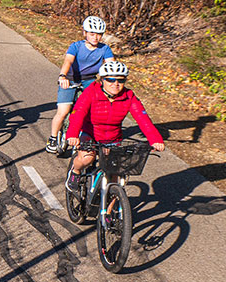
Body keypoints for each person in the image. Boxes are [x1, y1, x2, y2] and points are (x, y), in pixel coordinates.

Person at [64, 61, 165, 191]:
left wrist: (155, 139)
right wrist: (72, 135)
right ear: (102, 80)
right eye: (110, 79)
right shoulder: (91, 92)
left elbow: (143, 119)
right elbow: (78, 114)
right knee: (86, 159)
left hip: (113, 138)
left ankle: (108, 209)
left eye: (120, 80)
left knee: (115, 174)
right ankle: (75, 172)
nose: (115, 84)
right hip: (91, 133)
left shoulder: (128, 96)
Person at [46, 16, 117, 155]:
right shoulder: (76, 46)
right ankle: (53, 138)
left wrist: (112, 83)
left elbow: (111, 67)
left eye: (99, 34)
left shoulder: (105, 49)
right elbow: (68, 61)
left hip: (89, 79)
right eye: (92, 34)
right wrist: (63, 76)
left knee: (88, 111)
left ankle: (85, 136)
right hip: (70, 78)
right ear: (85, 33)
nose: (95, 37)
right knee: (63, 111)